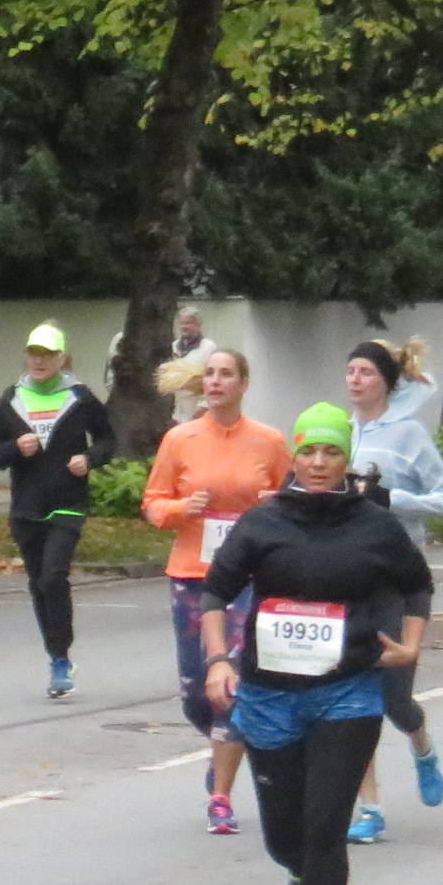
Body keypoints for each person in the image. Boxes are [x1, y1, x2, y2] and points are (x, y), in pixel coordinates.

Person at [196, 401, 433, 885]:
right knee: (283, 837)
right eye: (309, 451)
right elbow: (216, 592)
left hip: (346, 693)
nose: (320, 463)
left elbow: (417, 584)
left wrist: (409, 647)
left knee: (326, 826)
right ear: (295, 457)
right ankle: (300, 875)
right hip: (270, 696)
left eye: (331, 452)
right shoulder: (263, 521)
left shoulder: (374, 525)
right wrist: (219, 659)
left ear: (346, 459)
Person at [141, 346, 286, 835]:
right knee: (195, 693)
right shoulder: (180, 439)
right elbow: (153, 504)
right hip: (193, 575)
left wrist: (273, 502)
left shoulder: (268, 441)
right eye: (210, 374)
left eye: (226, 374)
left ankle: (220, 796)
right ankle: (225, 745)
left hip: (248, 578)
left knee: (230, 684)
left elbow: (295, 501)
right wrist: (183, 508)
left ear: (243, 383)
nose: (216, 381)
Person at [343, 336, 443, 839]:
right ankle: (369, 809)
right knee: (354, 701)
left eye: (366, 372)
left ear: (386, 382)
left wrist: (393, 500)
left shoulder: (408, 433)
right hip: (349, 580)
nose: (355, 379)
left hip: (399, 580)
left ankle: (422, 747)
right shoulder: (340, 432)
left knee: (394, 701)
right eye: (350, 371)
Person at [0, 321, 114, 699]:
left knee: (54, 576)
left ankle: (61, 657)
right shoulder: (12, 398)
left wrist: (89, 459)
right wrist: (14, 448)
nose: (39, 361)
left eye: (47, 355)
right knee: (39, 583)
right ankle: (57, 657)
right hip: (27, 506)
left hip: (68, 503)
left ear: (61, 358)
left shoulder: (79, 397)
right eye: (34, 354)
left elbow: (108, 439)